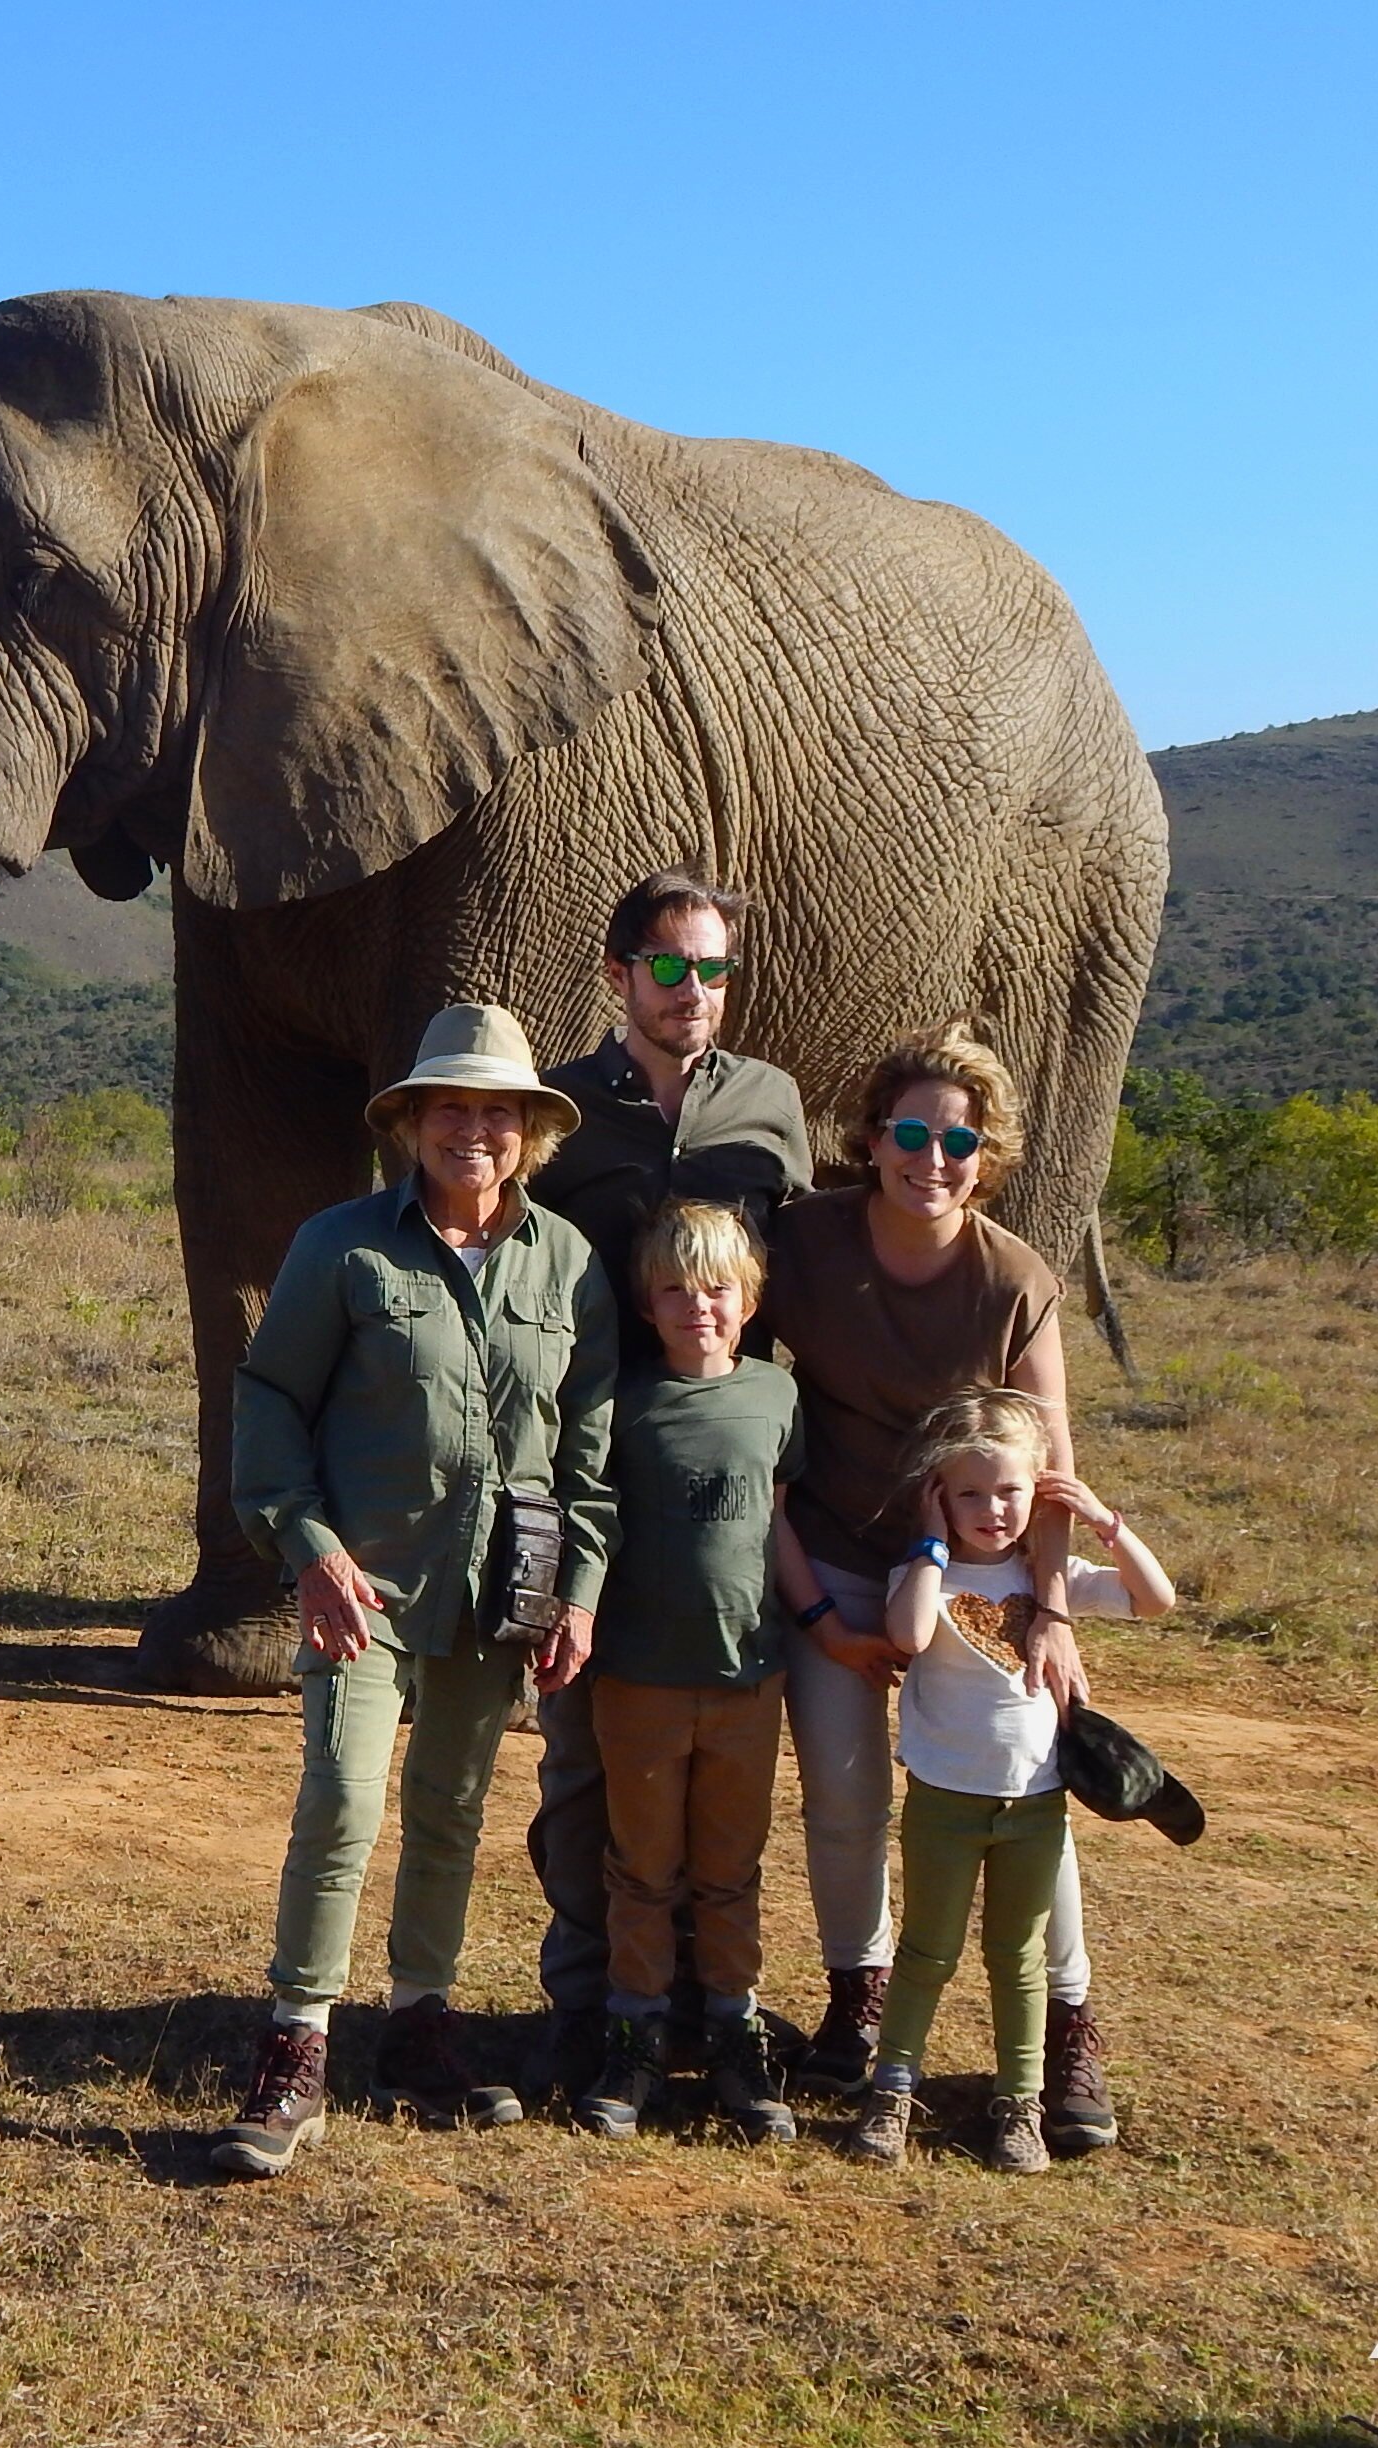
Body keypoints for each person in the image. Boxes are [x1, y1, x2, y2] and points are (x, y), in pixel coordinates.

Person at [210, 1004, 619, 2180]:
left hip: (504, 1590)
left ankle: (422, 2028)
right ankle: (296, 2046)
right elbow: (271, 1398)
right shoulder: (342, 1246)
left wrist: (574, 1594)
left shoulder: (570, 1263)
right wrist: (308, 1548)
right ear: (412, 1124)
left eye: (498, 1113)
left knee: (452, 1808)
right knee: (343, 1800)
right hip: (365, 1589)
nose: (473, 1132)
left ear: (531, 1132)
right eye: (452, 1108)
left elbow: (584, 1451)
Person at [762, 1026, 1128, 2155]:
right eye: (912, 1133)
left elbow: (1052, 1464)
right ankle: (859, 1999)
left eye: (959, 1140)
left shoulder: (1014, 1281)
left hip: (979, 1579)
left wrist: (1052, 1612)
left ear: (990, 1155)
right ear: (870, 1141)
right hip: (834, 1556)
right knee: (843, 1792)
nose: (934, 1157)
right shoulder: (804, 1246)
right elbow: (729, 1379)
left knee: (1026, 1796)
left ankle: (1069, 2031)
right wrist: (816, 1607)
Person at [527, 873, 815, 2093]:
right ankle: (595, 2001)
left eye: (713, 970)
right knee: (583, 1752)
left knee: (719, 1779)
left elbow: (791, 1273)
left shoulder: (772, 1104)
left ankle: (710, 2006)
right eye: (669, 967)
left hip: (721, 1466)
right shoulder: (562, 1108)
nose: (692, 992)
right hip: (583, 1453)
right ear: (618, 976)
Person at [844, 1387, 1173, 2172]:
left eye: (1010, 1491)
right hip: (944, 1800)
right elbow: (911, 1634)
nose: (991, 1508)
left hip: (1033, 1804)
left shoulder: (1052, 1578)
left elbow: (1155, 1599)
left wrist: (1101, 1518)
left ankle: (1019, 2103)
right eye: (968, 1493)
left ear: (1038, 1490)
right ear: (939, 1497)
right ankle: (892, 2090)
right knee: (926, 1950)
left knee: (1018, 1957)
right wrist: (929, 1542)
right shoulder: (925, 1575)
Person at [570, 1200, 806, 2145]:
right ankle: (633, 2033)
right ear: (645, 1300)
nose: (695, 1307)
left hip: (751, 1675)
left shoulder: (778, 1397)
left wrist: (821, 1614)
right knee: (641, 1866)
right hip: (639, 1678)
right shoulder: (619, 1401)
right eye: (673, 1289)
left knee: (730, 1866)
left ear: (748, 1298)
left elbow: (780, 1520)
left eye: (716, 1289)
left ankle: (733, 2029)